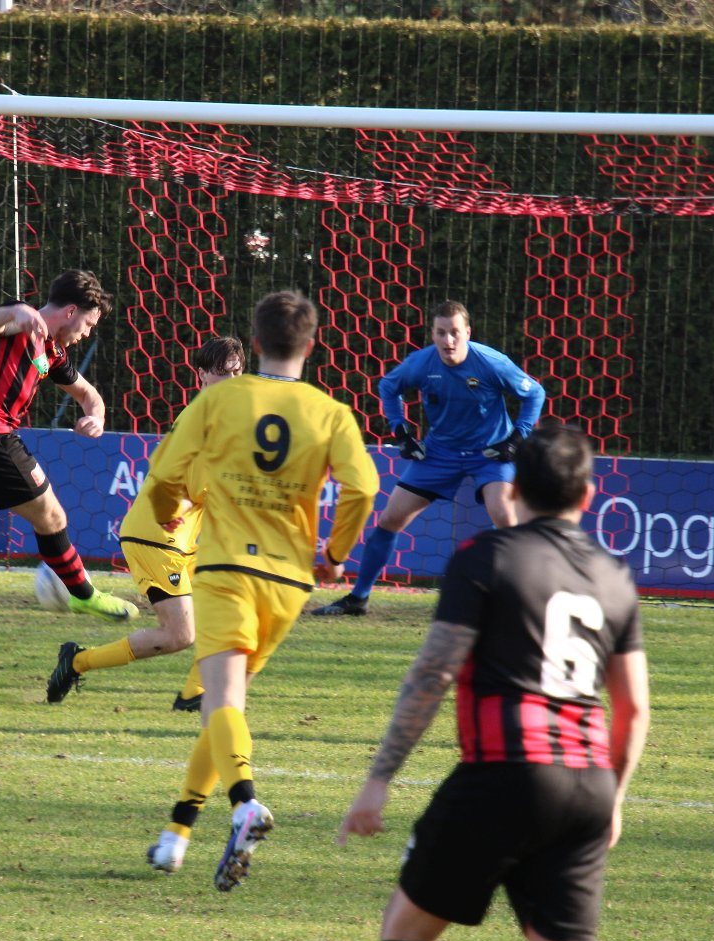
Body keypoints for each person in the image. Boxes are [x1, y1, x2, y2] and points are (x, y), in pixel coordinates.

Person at [339, 423, 650, 941]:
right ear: (587, 496)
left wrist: (379, 779)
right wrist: (615, 798)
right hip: (588, 786)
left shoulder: (487, 557)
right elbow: (632, 709)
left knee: (406, 930)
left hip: (506, 773)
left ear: (515, 490)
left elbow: (434, 673)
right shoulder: (614, 577)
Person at [139, 290, 379, 889]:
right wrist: (335, 557)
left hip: (226, 571)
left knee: (220, 705)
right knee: (228, 708)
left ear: (254, 342)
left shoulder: (221, 398)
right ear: (312, 344)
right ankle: (176, 833)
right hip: (289, 582)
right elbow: (364, 488)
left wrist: (168, 512)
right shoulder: (330, 412)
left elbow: (164, 474)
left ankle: (245, 802)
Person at [0, 269, 139, 712]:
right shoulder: (21, 323)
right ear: (71, 311)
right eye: (88, 324)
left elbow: (89, 395)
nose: (86, 333)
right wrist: (16, 311)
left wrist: (96, 416)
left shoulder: (52, 351)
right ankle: (84, 595)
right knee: (54, 517)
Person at [46, 335, 246, 709]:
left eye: (236, 372)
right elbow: (186, 480)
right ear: (202, 375)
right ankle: (76, 662)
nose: (231, 380)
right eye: (222, 373)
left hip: (187, 539)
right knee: (179, 635)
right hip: (157, 535)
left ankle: (196, 694)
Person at [313, 299, 544, 617]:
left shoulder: (491, 362)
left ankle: (520, 599)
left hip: (489, 453)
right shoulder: (422, 363)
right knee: (390, 519)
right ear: (432, 334)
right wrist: (401, 432)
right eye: (441, 333)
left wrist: (517, 439)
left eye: (455, 332)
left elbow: (535, 393)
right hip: (440, 454)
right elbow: (388, 386)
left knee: (504, 515)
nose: (448, 340)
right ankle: (358, 598)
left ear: (468, 333)